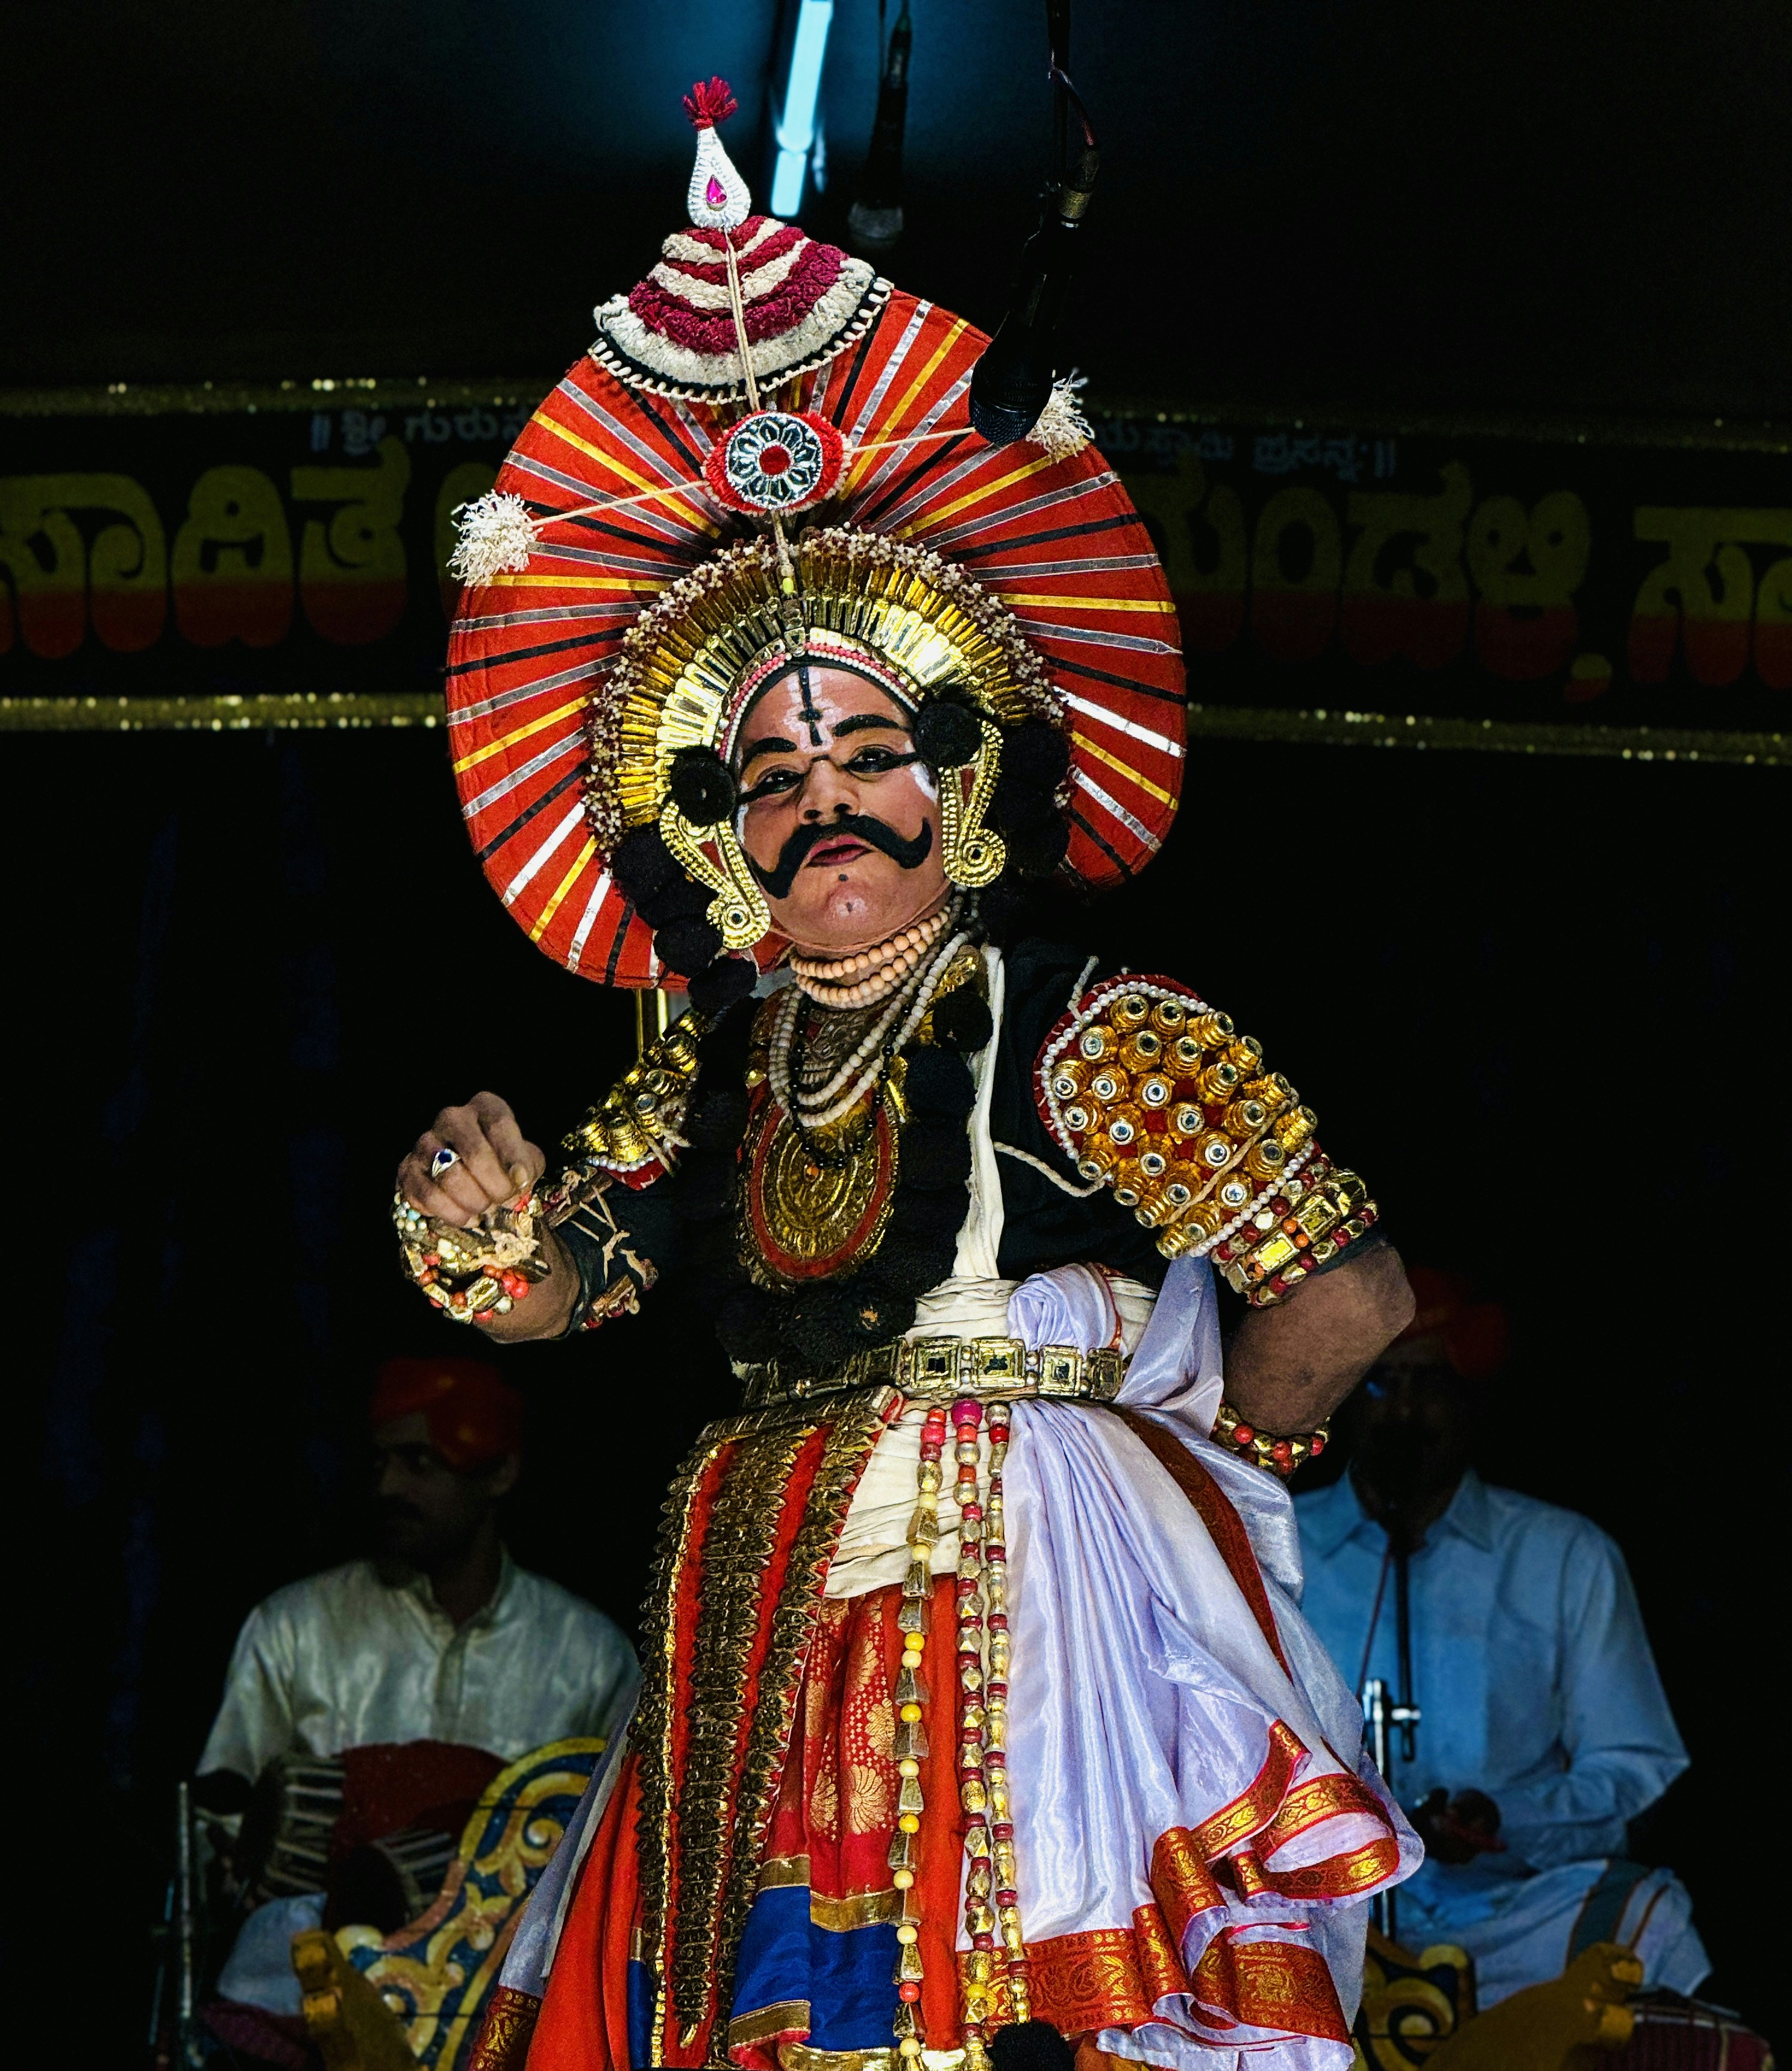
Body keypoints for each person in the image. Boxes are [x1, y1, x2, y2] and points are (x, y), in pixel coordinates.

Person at [397, 80, 1421, 2071]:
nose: (821, 804)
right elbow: (550, 1292)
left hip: (1034, 1634)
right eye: (767, 777)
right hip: (769, 1637)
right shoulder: (715, 1061)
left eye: (865, 751)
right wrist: (477, 1220)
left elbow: (1349, 1295)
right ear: (712, 834)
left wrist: (1201, 1487)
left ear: (963, 772)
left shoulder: (1091, 1026)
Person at [1293, 1273, 1709, 2007]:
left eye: (1430, 1383)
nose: (1407, 1410)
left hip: (1500, 1917)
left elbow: (1631, 1764)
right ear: (1349, 1398)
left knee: (1654, 1918)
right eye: (1382, 1384)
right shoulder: (1279, 1540)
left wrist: (1503, 1817)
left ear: (1471, 1396)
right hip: (1321, 1913)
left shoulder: (1564, 1555)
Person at [199, 1356, 638, 1791]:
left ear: (499, 1473)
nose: (387, 1486)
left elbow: (625, 1833)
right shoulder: (295, 1629)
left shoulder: (590, 1657)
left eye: (419, 1462)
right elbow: (222, 1822)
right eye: (379, 1462)